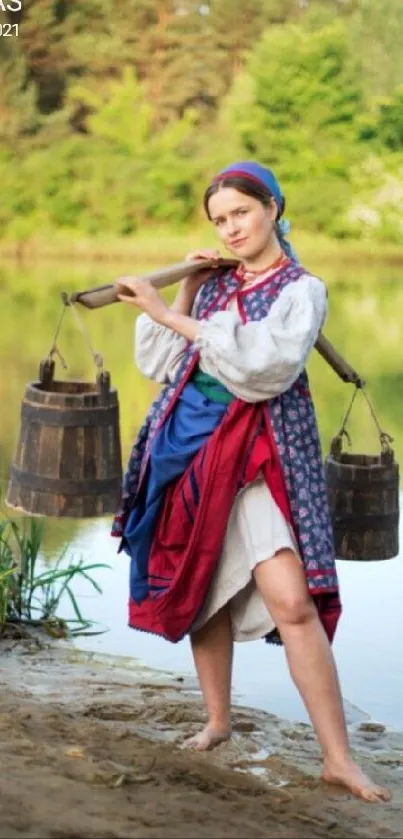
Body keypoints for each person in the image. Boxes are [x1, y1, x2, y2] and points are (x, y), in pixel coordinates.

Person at [112, 161, 390, 803]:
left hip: (262, 453)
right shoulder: (210, 285)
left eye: (241, 212)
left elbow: (262, 369)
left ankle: (338, 758)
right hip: (189, 444)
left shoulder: (303, 290)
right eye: (219, 219)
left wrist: (163, 309)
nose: (231, 228)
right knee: (200, 578)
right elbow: (159, 363)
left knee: (292, 602)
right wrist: (183, 290)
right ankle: (217, 719)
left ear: (272, 208)